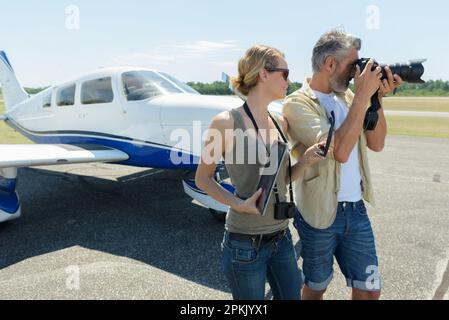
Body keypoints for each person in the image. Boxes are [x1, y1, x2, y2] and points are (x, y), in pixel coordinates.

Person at [195, 45, 326, 300]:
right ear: (263, 74)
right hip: (244, 244)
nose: (289, 80)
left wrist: (306, 161)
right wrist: (237, 204)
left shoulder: (279, 122)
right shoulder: (225, 122)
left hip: (282, 237)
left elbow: (281, 179)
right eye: (285, 73)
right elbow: (203, 178)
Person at [283, 29, 403, 300]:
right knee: (316, 287)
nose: (356, 74)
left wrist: (375, 99)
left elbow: (377, 143)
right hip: (319, 213)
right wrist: (362, 96)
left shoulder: (350, 98)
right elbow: (338, 151)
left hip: (356, 211)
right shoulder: (297, 103)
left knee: (370, 290)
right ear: (329, 64)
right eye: (352, 66)